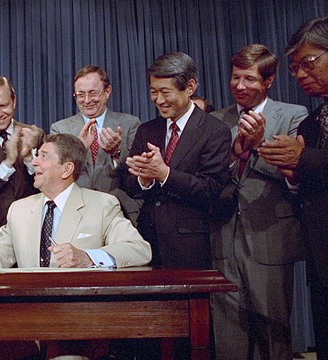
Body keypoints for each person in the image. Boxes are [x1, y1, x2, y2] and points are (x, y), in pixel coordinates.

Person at [0, 133, 151, 360]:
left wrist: (87, 257)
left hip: (76, 324)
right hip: (26, 321)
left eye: (43, 156)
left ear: (66, 169)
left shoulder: (102, 204)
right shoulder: (19, 209)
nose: (34, 161)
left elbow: (139, 249)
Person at [258, 16, 328, 359]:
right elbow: (313, 183)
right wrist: (293, 173)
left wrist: (304, 157)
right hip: (325, 265)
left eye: (308, 63)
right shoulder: (314, 120)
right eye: (295, 68)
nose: (300, 74)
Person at [209, 44, 308, 360]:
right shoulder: (214, 121)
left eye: (249, 79)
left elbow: (295, 177)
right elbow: (209, 179)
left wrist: (258, 145)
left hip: (270, 237)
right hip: (222, 237)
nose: (240, 86)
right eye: (235, 77)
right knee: (227, 331)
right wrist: (235, 152)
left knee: (272, 330)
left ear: (269, 80)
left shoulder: (294, 115)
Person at [121, 52, 231, 270]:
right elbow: (128, 183)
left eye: (165, 92)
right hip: (148, 240)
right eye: (153, 92)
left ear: (189, 88)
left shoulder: (215, 131)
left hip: (190, 246)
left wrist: (165, 175)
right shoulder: (147, 130)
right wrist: (144, 179)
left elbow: (210, 189)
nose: (159, 100)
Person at [51, 65, 142, 224]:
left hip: (121, 213)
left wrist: (117, 154)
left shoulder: (130, 124)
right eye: (80, 94)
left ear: (107, 91)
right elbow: (55, 175)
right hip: (75, 215)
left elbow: (139, 175)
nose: (87, 100)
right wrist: (80, 149)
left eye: (93, 93)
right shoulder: (60, 129)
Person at [0, 74, 44, 246]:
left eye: (3, 105)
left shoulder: (36, 135)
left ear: (14, 101)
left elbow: (49, 185)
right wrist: (8, 163)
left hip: (34, 232)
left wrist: (28, 159)